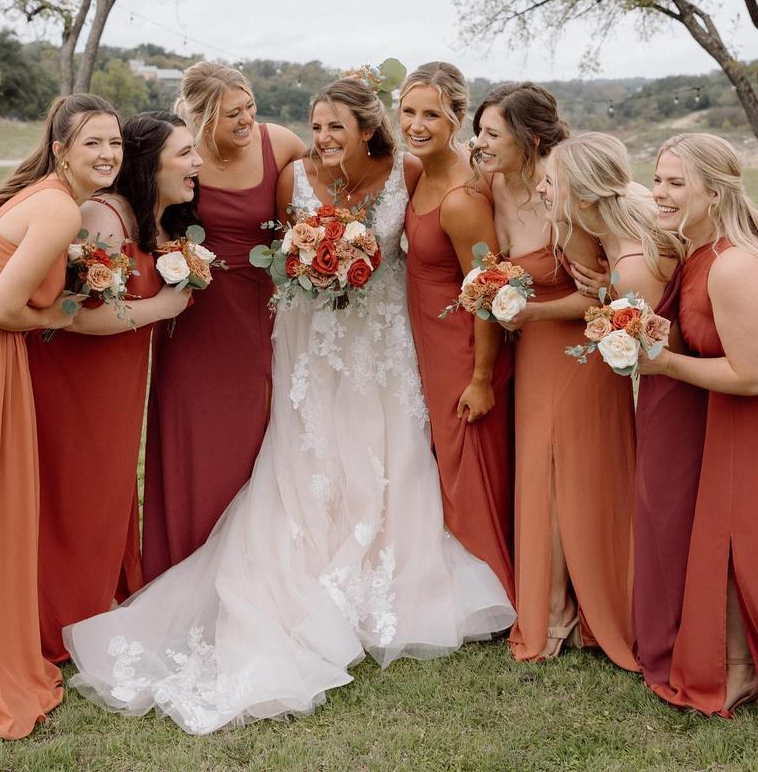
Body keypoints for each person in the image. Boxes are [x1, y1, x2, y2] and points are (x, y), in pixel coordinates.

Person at [64, 74, 515, 735]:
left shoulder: (406, 172)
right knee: (308, 455)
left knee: (390, 455)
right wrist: (309, 261)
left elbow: (448, 219)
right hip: (311, 342)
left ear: (368, 128)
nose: (323, 137)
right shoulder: (294, 174)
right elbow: (278, 255)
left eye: (337, 126)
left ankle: (388, 573)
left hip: (383, 345)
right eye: (316, 123)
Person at [0, 93, 121, 738]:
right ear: (61, 150)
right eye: (93, 144)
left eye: (114, 142)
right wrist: (55, 317)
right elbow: (0, 308)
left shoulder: (52, 195)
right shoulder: (56, 206)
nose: (108, 154)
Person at [473, 84, 638, 670]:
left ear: (531, 140)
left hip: (581, 352)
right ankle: (551, 607)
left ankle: (592, 610)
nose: (482, 142)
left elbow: (603, 293)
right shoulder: (495, 186)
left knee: (578, 475)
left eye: (494, 133)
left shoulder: (569, 189)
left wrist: (532, 312)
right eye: (481, 131)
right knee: (538, 475)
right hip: (535, 351)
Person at [28, 112, 200, 663]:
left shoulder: (156, 219)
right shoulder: (102, 217)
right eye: (186, 154)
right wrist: (161, 306)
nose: (198, 165)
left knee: (106, 490)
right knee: (76, 495)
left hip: (119, 379)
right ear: (152, 163)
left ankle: (91, 602)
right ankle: (54, 622)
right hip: (76, 380)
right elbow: (70, 316)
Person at [544, 132, 703, 686]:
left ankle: (677, 633)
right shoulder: (617, 243)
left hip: (674, 395)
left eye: (555, 184)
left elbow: (659, 350)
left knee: (665, 507)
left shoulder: (630, 263)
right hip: (668, 389)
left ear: (584, 197)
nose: (547, 191)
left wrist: (612, 302)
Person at [142, 62, 305, 581]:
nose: (246, 120)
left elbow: (327, 180)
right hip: (191, 314)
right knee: (191, 434)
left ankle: (246, 566)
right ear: (202, 116)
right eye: (233, 113)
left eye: (250, 107)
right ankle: (181, 564)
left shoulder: (278, 143)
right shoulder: (181, 155)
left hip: (257, 310)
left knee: (250, 433)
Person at [640, 133, 758, 715]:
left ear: (714, 191)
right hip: (720, 421)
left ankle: (737, 669)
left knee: (740, 543)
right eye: (658, 179)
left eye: (675, 183)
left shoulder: (732, 265)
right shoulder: (695, 253)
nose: (659, 192)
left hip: (746, 422)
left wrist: (663, 363)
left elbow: (751, 374)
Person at [401, 61, 515, 604]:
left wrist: (483, 377)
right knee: (446, 462)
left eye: (432, 114)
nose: (417, 124)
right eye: (408, 111)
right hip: (427, 343)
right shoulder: (422, 173)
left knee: (470, 467)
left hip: (464, 349)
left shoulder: (464, 200)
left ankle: (489, 592)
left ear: (457, 119)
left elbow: (487, 294)